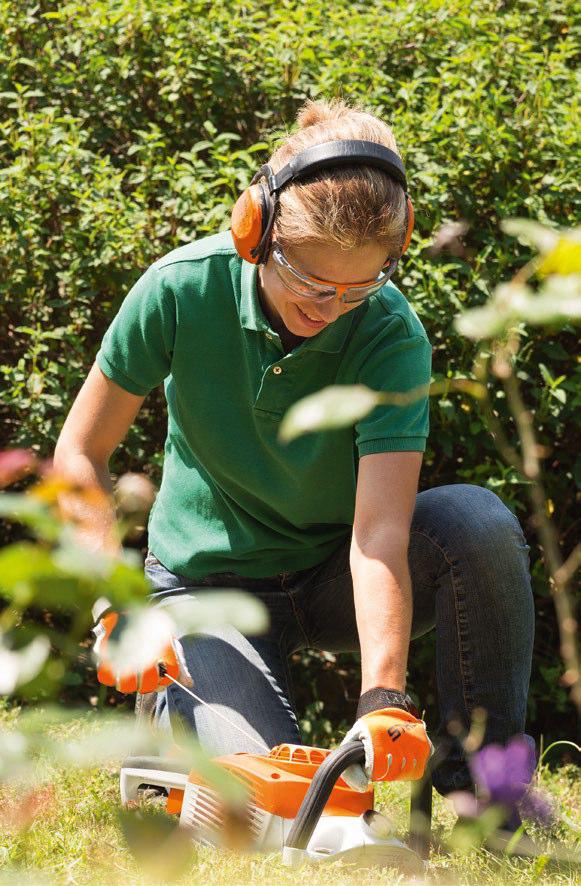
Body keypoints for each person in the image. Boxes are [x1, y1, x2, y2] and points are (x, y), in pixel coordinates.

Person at [54, 98, 534, 806]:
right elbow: (81, 452)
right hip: (205, 588)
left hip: (330, 572)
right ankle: (175, 710)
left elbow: (377, 535)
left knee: (479, 525)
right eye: (309, 280)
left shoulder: (389, 335)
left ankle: (486, 801)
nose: (330, 306)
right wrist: (115, 601)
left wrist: (383, 696)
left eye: (359, 285)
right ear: (256, 231)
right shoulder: (180, 290)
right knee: (269, 796)